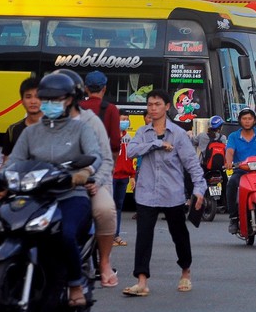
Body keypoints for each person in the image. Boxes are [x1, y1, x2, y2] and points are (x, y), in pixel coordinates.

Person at [8, 72, 102, 308]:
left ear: (69, 100)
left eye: (55, 99)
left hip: (70, 197)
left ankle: (75, 284)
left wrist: (84, 173)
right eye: (45, 99)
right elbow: (13, 161)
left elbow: (95, 156)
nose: (48, 104)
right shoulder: (30, 132)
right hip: (35, 197)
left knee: (65, 233)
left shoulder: (81, 129)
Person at [123, 89, 205, 297]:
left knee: (179, 235)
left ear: (167, 107)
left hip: (173, 194)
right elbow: (130, 151)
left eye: (157, 104)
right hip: (146, 194)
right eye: (150, 104)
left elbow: (192, 165)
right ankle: (141, 281)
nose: (152, 108)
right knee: (143, 236)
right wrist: (156, 144)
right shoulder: (142, 132)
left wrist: (199, 190)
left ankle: (185, 271)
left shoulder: (178, 134)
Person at [55, 68, 119, 289]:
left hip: (86, 182)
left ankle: (105, 263)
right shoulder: (40, 123)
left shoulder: (89, 121)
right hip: (48, 184)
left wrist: (96, 181)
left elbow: (105, 157)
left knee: (105, 210)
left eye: (60, 96)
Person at [0, 76, 42, 165]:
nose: (33, 101)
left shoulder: (54, 127)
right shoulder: (13, 130)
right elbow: (6, 164)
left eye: (38, 97)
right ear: (22, 101)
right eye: (28, 97)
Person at [81, 70, 121, 157]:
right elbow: (115, 142)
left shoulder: (77, 107)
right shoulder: (111, 109)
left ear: (86, 88)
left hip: (79, 160)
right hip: (100, 161)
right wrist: (112, 163)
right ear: (104, 88)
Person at [113, 110, 136, 247]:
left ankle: (116, 236)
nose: (125, 122)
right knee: (109, 208)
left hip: (123, 177)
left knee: (118, 207)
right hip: (112, 176)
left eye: (127, 119)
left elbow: (130, 159)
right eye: (122, 119)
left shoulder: (129, 138)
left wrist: (132, 176)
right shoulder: (112, 137)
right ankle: (107, 236)